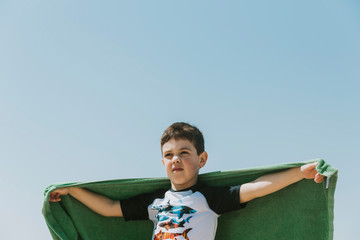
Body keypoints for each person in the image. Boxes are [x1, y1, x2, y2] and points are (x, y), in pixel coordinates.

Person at [49, 122, 324, 240]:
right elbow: (109, 208)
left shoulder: (209, 197)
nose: (175, 159)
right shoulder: (155, 202)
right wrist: (74, 191)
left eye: (184, 152)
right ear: (163, 163)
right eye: (168, 155)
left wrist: (300, 172)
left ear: (202, 159)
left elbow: (255, 188)